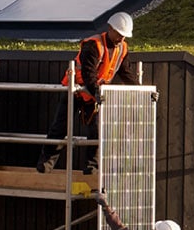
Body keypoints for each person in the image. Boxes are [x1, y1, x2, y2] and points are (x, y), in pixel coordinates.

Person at [38, 12, 137, 173]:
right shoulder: (93, 45)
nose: (121, 39)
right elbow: (88, 73)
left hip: (95, 93)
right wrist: (97, 92)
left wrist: (143, 91)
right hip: (76, 90)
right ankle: (45, 166)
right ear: (110, 29)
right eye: (119, 34)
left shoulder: (122, 48)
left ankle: (91, 169)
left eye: (124, 36)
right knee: (60, 128)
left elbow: (126, 73)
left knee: (97, 130)